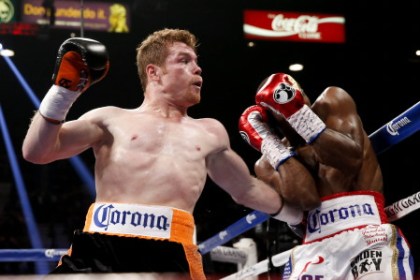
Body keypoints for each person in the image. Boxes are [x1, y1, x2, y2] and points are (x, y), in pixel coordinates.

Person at [21, 29, 302, 278]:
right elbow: (38, 152)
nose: (198, 68)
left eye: (196, 61)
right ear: (154, 72)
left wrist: (299, 217)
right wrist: (63, 93)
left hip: (171, 251)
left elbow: (246, 189)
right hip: (100, 247)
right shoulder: (110, 119)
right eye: (184, 60)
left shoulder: (209, 131)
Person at [238, 73, 414, 279]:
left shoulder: (332, 102)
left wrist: (298, 116)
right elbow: (307, 199)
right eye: (284, 97)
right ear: (269, 116)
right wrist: (271, 145)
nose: (297, 97)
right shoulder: (267, 164)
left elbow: (351, 160)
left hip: (368, 234)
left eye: (296, 91)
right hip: (315, 250)